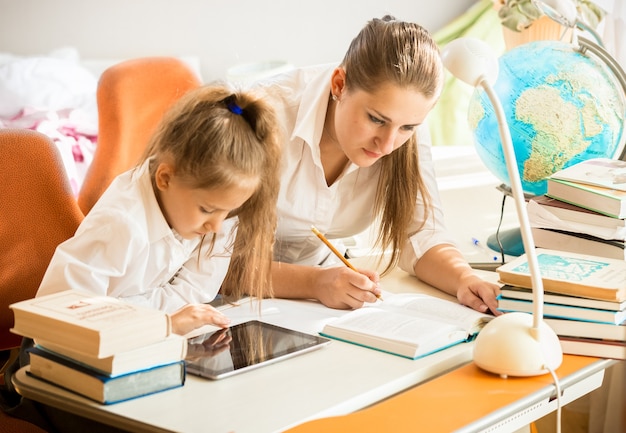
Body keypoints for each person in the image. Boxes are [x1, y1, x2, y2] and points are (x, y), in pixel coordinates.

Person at [254, 15, 501, 314]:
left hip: (316, 302)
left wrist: (465, 279)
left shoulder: (404, 127)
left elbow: (422, 235)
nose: (386, 145)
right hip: (226, 303)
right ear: (339, 84)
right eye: (375, 119)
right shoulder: (261, 119)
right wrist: (314, 283)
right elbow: (207, 261)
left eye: (407, 127)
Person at [36, 84, 282, 335]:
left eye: (228, 212)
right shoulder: (121, 224)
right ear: (165, 178)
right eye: (207, 210)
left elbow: (195, 293)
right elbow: (61, 319)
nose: (216, 227)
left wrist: (151, 318)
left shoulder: (217, 206)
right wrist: (164, 323)